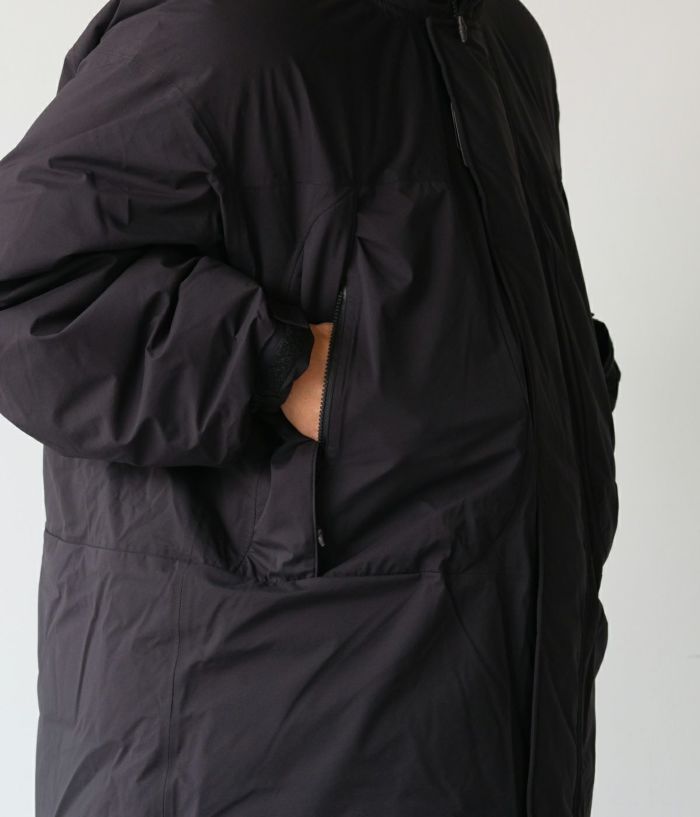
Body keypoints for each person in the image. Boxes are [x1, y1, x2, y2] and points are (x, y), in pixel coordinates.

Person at [0, 1, 621, 815]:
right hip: (259, 746)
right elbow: (22, 286)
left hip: (494, 730)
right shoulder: (234, 27)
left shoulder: (499, 37)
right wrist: (274, 363)